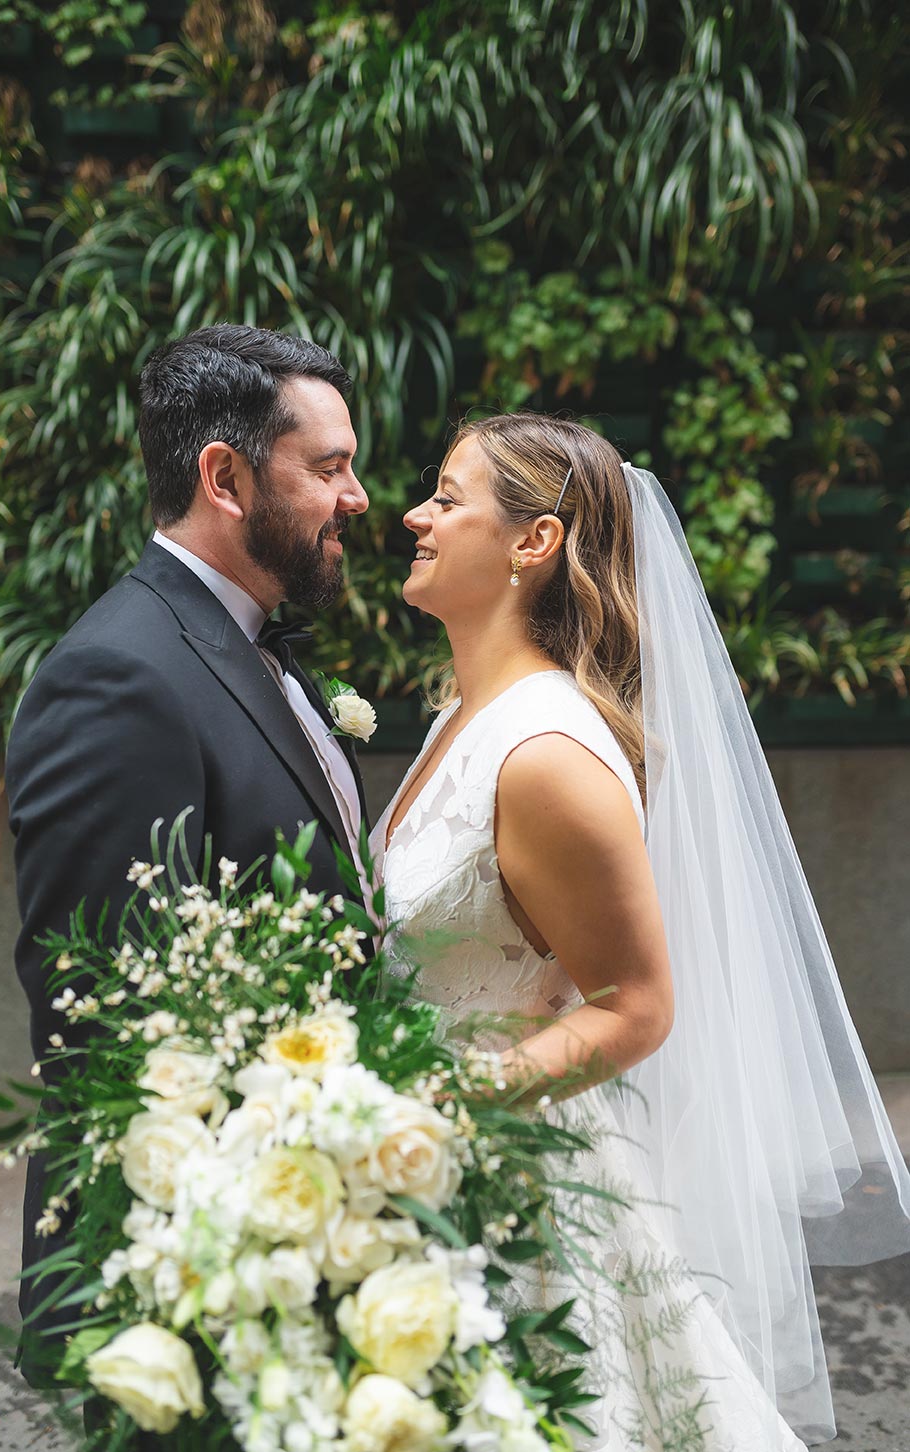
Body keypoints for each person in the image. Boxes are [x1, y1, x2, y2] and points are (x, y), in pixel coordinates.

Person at [371, 412, 910, 1450]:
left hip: (508, 1175)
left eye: (447, 495)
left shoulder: (548, 756)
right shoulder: (462, 719)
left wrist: (441, 1107)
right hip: (429, 1163)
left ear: (534, 542)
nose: (414, 514)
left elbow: (637, 1006)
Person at [5, 325, 369, 1418]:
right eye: (330, 466)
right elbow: (106, 1017)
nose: (357, 497)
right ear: (225, 477)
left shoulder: (251, 642)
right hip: (185, 1277)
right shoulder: (120, 674)